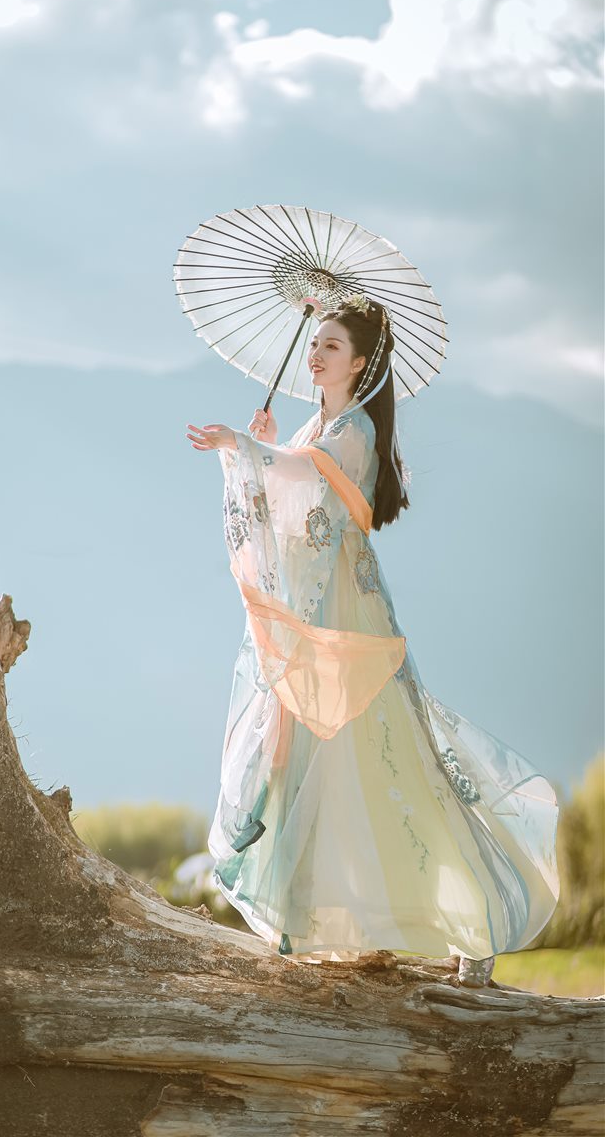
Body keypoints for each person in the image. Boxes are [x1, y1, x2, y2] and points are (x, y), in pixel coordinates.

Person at [185, 294, 560, 988]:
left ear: (359, 363)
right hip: (321, 612)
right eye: (315, 342)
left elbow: (302, 475)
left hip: (348, 619)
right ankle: (329, 920)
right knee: (315, 762)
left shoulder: (353, 428)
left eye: (331, 345)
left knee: (390, 758)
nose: (316, 353)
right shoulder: (319, 426)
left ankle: (473, 923)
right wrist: (267, 443)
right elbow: (293, 484)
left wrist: (249, 448)